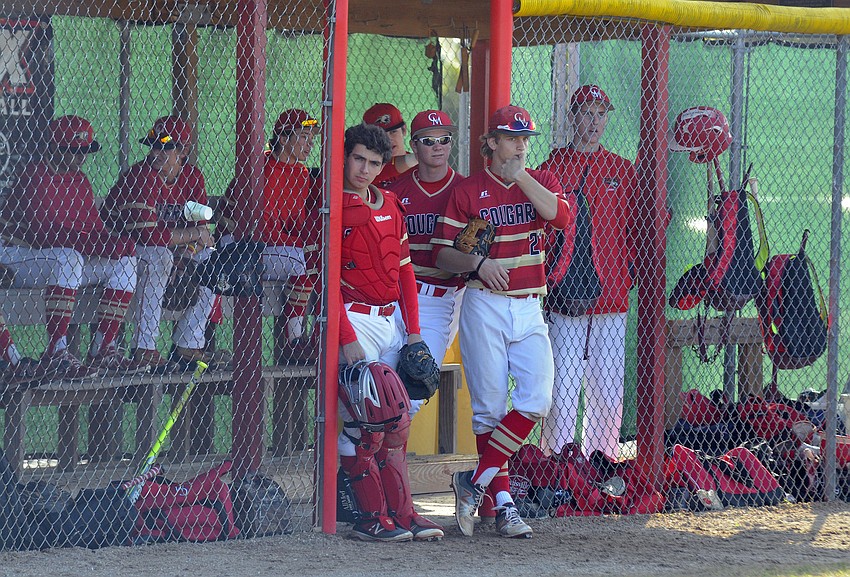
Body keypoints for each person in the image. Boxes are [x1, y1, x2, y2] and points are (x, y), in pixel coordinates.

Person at [431, 105, 570, 538]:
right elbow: (441, 251)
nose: (521, 145)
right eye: (512, 138)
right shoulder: (469, 189)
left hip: (530, 305)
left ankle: (474, 483)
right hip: (484, 301)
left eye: (526, 138)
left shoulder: (540, 180)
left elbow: (561, 218)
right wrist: (476, 262)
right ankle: (505, 505)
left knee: (537, 399)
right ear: (491, 142)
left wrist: (521, 175)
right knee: (489, 409)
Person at [337, 122, 443, 543]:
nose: (364, 169)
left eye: (373, 162)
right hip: (354, 317)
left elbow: (404, 272)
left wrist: (414, 332)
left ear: (384, 166)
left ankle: (403, 513)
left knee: (396, 424)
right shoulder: (332, 207)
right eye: (358, 159)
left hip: (390, 320)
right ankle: (369, 518)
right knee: (363, 425)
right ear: (345, 158)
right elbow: (326, 281)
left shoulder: (391, 203)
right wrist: (345, 338)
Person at [537, 85, 637, 460]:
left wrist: (627, 274)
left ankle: (600, 465)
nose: (593, 121)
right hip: (564, 299)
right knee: (562, 393)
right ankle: (556, 468)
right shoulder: (551, 168)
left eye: (600, 113)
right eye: (585, 112)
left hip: (611, 298)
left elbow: (641, 227)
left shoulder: (623, 170)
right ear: (571, 116)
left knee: (609, 395)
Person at [0, 115, 140, 378]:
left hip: (54, 260)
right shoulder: (35, 177)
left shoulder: (80, 181)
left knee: (125, 263)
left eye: (85, 151)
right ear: (54, 148)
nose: (82, 157)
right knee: (70, 258)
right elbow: (44, 235)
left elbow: (95, 229)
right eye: (74, 151)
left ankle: (103, 349)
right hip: (16, 254)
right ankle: (56, 351)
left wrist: (114, 246)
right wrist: (105, 245)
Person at [104, 115, 215, 371]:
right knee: (160, 256)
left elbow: (202, 231)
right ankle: (144, 347)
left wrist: (186, 256)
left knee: (210, 259)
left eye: (166, 147)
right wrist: (190, 238)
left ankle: (188, 342)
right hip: (124, 251)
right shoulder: (141, 175)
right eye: (154, 145)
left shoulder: (192, 177)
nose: (156, 152)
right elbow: (148, 236)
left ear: (183, 151)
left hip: (167, 249)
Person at [220, 109, 320, 345]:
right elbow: (263, 232)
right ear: (284, 138)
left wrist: (307, 244)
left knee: (314, 260)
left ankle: (307, 338)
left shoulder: (301, 173)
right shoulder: (264, 168)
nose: (310, 143)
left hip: (271, 249)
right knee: (304, 262)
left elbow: (296, 223)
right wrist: (305, 247)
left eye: (312, 137)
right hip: (238, 248)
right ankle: (294, 339)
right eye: (304, 136)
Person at [387, 109, 465, 378]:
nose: (438, 147)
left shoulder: (466, 191)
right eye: (428, 141)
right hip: (396, 296)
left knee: (418, 385)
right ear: (414, 146)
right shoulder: (396, 192)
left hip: (442, 296)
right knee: (384, 383)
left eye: (444, 139)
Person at [362, 103, 417, 188]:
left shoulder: (419, 167)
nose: (388, 139)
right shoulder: (365, 170)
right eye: (381, 135)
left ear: (404, 130)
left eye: (393, 131)